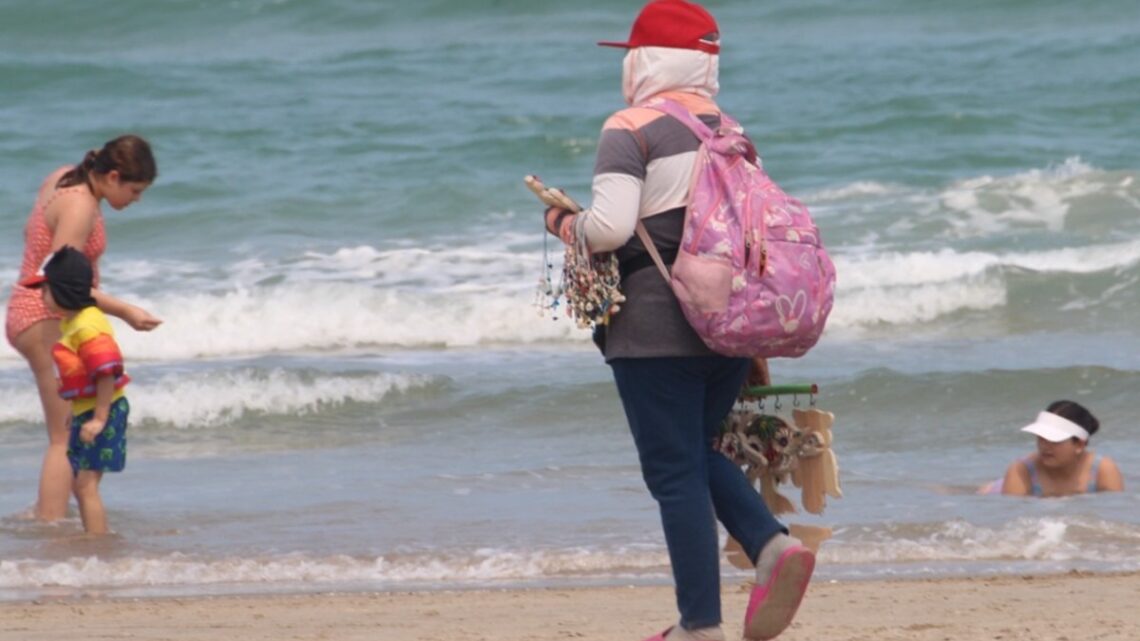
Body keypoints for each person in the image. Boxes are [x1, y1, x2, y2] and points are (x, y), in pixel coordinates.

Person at [542, 2, 814, 639]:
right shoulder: (729, 130)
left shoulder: (630, 127)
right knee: (694, 454)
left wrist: (562, 222)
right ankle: (771, 547)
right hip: (728, 329)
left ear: (646, 61)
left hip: (654, 331)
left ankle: (702, 623)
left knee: (673, 472)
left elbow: (609, 229)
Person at [6, 135, 160, 522]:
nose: (137, 200)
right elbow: (61, 280)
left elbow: (32, 238)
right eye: (135, 191)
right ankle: (51, 532)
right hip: (44, 317)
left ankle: (47, 517)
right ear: (113, 176)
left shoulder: (65, 177)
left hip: (29, 309)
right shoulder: (80, 205)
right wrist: (125, 310)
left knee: (65, 433)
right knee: (64, 438)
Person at [20, 246, 132, 534]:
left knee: (85, 484)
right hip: (88, 410)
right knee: (79, 483)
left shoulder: (88, 326)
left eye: (45, 290)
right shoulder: (72, 322)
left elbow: (106, 372)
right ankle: (93, 537)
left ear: (64, 289)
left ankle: (97, 542)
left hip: (105, 411)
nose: (42, 297)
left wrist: (99, 418)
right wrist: (77, 410)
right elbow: (84, 375)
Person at [986, 400, 1124, 497]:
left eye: (1054, 440)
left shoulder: (1103, 469)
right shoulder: (1021, 470)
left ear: (1079, 445)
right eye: (1041, 438)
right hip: (996, 491)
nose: (1045, 446)